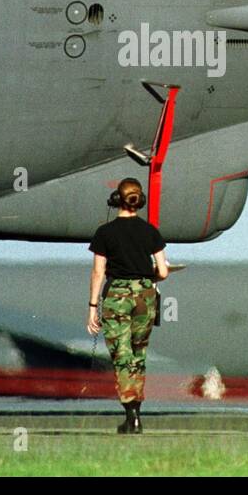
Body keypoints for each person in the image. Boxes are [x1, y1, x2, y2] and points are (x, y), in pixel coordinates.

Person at [86, 177, 169, 434]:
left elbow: (98, 272)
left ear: (116, 199)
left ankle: (131, 413)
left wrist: (92, 307)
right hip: (145, 295)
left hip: (117, 297)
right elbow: (164, 271)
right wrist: (145, 276)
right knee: (138, 355)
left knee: (122, 355)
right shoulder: (150, 231)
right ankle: (136, 413)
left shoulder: (105, 233)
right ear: (138, 200)